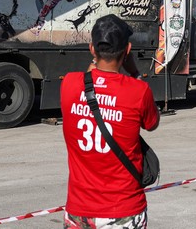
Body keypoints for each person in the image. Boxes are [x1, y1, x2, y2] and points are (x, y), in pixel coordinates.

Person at [61, 15, 159, 229]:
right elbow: (152, 124)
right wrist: (134, 72)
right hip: (123, 209)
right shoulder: (139, 91)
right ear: (128, 49)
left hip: (79, 211)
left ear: (92, 49)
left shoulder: (69, 83)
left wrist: (96, 60)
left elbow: (90, 80)